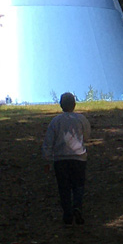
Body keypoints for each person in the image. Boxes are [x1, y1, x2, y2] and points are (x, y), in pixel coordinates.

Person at [42, 92, 91, 224]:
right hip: (79, 158)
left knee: (64, 187)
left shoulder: (55, 121)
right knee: (78, 185)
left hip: (60, 159)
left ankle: (67, 214)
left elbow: (48, 141)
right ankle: (77, 206)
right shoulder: (81, 119)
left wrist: (47, 160)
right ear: (74, 104)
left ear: (61, 105)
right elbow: (87, 135)